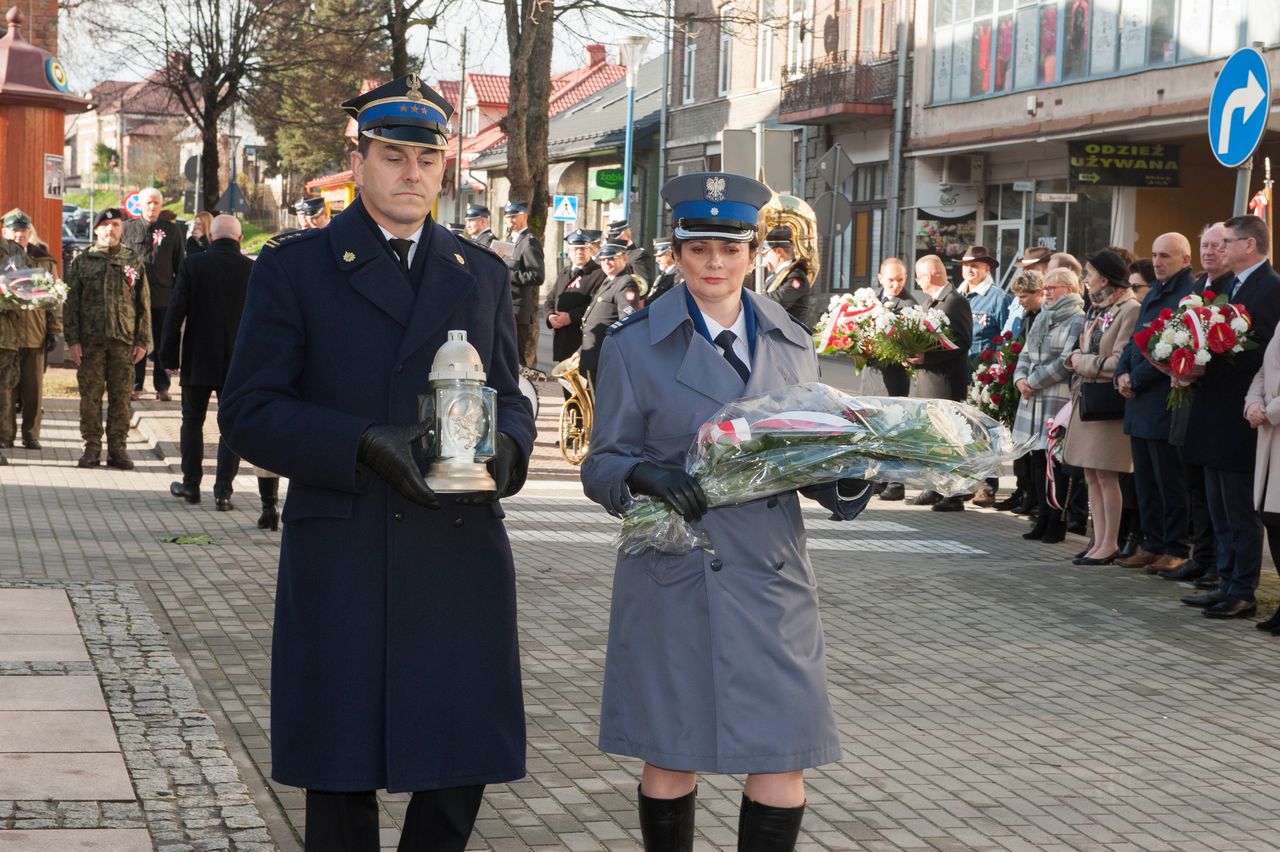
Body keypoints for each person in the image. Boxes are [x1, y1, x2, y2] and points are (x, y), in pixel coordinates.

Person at [217, 74, 535, 852]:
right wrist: (360, 441)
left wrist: (509, 447)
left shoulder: (481, 273)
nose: (411, 174)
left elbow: (510, 394)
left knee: (459, 770)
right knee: (340, 776)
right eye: (393, 156)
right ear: (357, 162)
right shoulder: (296, 268)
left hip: (455, 549)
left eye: (427, 159)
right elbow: (250, 410)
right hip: (347, 547)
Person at [581, 171, 873, 852]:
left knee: (782, 756)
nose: (715, 263)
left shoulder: (790, 338)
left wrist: (847, 478)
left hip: (772, 577)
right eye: (699, 248)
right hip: (677, 573)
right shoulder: (633, 343)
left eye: (731, 249)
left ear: (753, 254)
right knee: (670, 755)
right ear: (677, 253)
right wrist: (644, 474)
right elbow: (602, 464)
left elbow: (803, 450)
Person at [1179, 215, 1280, 619]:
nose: (1219, 249)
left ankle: (1242, 590)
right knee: (1217, 503)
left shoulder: (1271, 287)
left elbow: (1265, 353)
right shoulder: (1227, 286)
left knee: (1239, 507)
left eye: (1228, 242)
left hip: (1243, 412)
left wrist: (1214, 360)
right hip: (1213, 408)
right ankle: (1224, 580)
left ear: (1250, 245)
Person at [1112, 234, 1196, 574]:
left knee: (1168, 481)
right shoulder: (1155, 291)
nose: (1158, 262)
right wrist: (1121, 372)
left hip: (1163, 400)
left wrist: (1136, 378)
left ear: (1185, 259)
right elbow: (1137, 340)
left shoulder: (1187, 295)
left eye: (1165, 256)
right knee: (1145, 481)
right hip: (1139, 402)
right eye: (1155, 255)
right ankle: (1152, 543)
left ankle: (1175, 547)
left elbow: (1172, 348)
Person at [160, 214, 249, 510]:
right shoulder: (252, 269)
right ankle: (223, 492)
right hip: (237, 362)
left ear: (210, 237)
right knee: (230, 426)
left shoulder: (193, 265)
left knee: (192, 422)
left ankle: (191, 486)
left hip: (198, 358)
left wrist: (168, 356)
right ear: (240, 239)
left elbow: (175, 312)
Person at [1061, 250, 1140, 565]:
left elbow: (1120, 360)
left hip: (1108, 405)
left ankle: (1109, 543)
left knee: (1107, 475)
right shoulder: (1096, 308)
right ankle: (1097, 540)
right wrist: (1076, 359)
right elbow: (1083, 348)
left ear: (1105, 279)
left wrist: (1083, 362)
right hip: (1088, 400)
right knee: (1091, 474)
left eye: (1089, 273)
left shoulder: (1129, 309)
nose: (1085, 279)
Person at [1170, 224, 1233, 587]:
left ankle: (1219, 566)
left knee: (1215, 493)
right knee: (1193, 483)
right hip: (1187, 401)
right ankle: (1203, 556)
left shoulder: (1232, 290)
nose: (1209, 252)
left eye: (1217, 246)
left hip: (1214, 402)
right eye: (1205, 245)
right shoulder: (1196, 287)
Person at [64, 208, 150, 470]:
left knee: (121, 398)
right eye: (105, 225)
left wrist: (142, 341)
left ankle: (117, 449)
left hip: (123, 341)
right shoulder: (82, 261)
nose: (111, 229)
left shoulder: (132, 260)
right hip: (90, 343)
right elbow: (71, 304)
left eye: (115, 225)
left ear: (121, 229)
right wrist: (72, 341)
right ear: (96, 229)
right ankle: (91, 448)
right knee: (90, 398)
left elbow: (143, 303)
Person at [1013, 269, 1085, 542]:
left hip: (1055, 396)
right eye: (1047, 288)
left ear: (1070, 289)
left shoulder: (1076, 318)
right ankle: (1041, 516)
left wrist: (1032, 381)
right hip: (1032, 398)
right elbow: (1025, 353)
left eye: (1054, 288)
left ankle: (1056, 520)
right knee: (1037, 460)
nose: (1048, 292)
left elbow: (1065, 361)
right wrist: (1020, 379)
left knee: (1054, 462)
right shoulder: (1042, 316)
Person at [906, 254, 973, 511]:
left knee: (949, 441)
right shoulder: (928, 302)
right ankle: (933, 488)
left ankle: (953, 495)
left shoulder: (955, 301)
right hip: (927, 382)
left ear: (930, 275)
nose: (917, 282)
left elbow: (962, 341)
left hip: (945, 384)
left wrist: (927, 357)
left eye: (918, 277)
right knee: (931, 440)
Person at [1, 210, 60, 451]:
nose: (20, 235)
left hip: (35, 333)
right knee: (6, 390)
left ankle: (31, 434)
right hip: (6, 335)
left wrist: (54, 329)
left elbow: (54, 299)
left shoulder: (43, 260)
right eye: (15, 230)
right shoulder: (3, 258)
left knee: (33, 390)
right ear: (5, 232)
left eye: (24, 230)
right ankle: (6, 435)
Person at [122, 187, 184, 401]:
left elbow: (180, 264)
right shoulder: (127, 228)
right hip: (134, 297)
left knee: (162, 342)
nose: (152, 206)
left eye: (156, 203)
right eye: (148, 202)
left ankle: (162, 385)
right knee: (135, 341)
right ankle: (135, 384)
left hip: (162, 297)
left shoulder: (172, 230)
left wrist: (179, 295)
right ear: (139, 205)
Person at [996, 269, 1047, 514]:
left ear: (1039, 292)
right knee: (1021, 444)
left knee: (1036, 450)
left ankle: (1034, 497)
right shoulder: (1028, 316)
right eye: (1018, 296)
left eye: (1024, 296)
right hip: (1022, 382)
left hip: (1038, 387)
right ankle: (1022, 490)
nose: (1020, 301)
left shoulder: (1044, 316)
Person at [1244, 327, 1280, 636]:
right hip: (1270, 430)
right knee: (1271, 516)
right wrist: (1253, 404)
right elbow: (1262, 372)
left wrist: (1269, 410)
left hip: (1274, 420)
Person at [873, 257, 917, 502]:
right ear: (880, 278)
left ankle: (896, 482)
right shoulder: (869, 300)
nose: (895, 284)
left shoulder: (909, 304)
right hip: (872, 377)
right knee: (874, 428)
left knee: (895, 430)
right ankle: (878, 478)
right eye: (890, 280)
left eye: (900, 280)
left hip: (896, 378)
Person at [578, 239, 643, 385]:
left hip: (603, 356)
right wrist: (580, 351)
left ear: (624, 259)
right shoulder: (610, 281)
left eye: (612, 258)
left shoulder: (625, 283)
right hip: (592, 353)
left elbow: (626, 323)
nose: (606, 262)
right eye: (603, 259)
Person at [543, 228, 605, 364]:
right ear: (569, 251)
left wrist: (571, 317)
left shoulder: (598, 273)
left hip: (582, 342)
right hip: (562, 340)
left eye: (583, 249)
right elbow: (550, 300)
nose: (579, 252)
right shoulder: (564, 272)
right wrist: (550, 316)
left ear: (590, 250)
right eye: (575, 249)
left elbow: (596, 306)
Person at [0, 228, 32, 464]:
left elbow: (29, 291)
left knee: (3, 393)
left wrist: (7, 296)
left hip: (6, 338)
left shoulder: (14, 252)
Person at [503, 202, 544, 369]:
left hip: (517, 310)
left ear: (525, 216)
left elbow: (537, 276)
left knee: (517, 358)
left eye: (514, 216)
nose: (510, 220)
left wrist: (507, 274)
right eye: (508, 216)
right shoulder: (508, 240)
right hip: (505, 306)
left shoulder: (529, 242)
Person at [958, 244, 1010, 358]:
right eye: (966, 265)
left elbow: (1008, 337)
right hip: (957, 366)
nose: (969, 270)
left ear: (986, 269)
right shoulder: (955, 296)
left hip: (982, 367)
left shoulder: (999, 298)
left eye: (974, 266)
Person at [760, 225, 813, 323]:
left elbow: (779, 299)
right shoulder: (775, 276)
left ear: (779, 252)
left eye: (765, 254)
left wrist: (750, 297)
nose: (763, 259)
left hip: (791, 331)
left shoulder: (796, 276)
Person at [607, 218, 655, 287]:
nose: (613, 242)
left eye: (616, 238)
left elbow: (643, 286)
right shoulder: (613, 255)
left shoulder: (638, 256)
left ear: (627, 236)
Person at [648, 238, 680, 303]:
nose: (657, 260)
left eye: (660, 255)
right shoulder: (664, 274)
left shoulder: (678, 275)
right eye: (656, 256)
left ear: (672, 253)